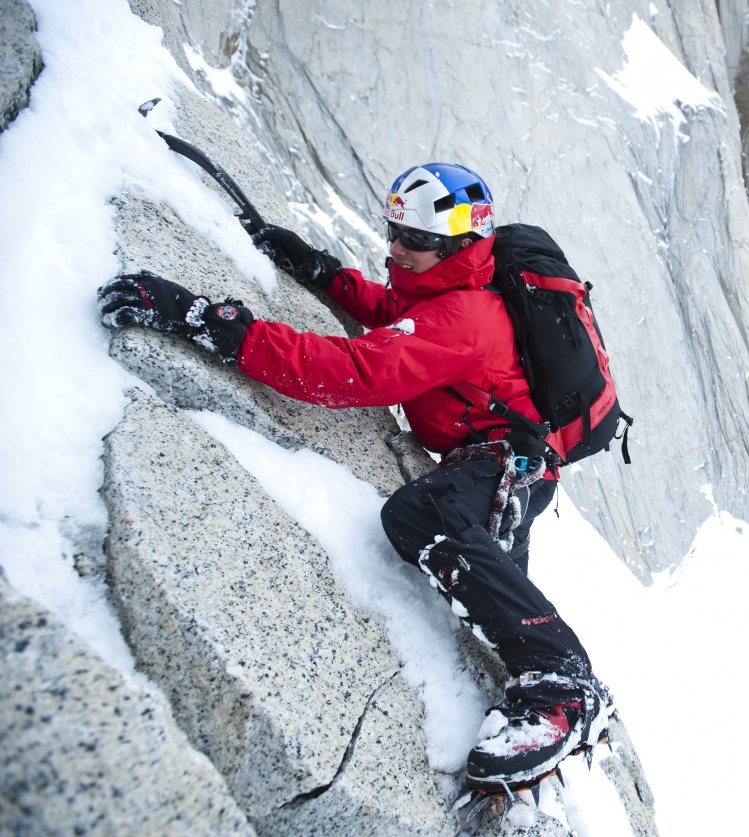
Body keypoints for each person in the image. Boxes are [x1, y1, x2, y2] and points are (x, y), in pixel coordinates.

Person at [97, 163, 611, 791]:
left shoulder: (466, 319)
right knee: (494, 601)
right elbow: (397, 313)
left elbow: (351, 373)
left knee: (424, 517)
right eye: (394, 230)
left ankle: (564, 689)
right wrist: (319, 271)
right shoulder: (449, 288)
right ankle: (537, 757)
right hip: (504, 461)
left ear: (454, 246)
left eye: (413, 241)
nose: (395, 247)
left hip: (507, 463)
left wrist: (213, 323)